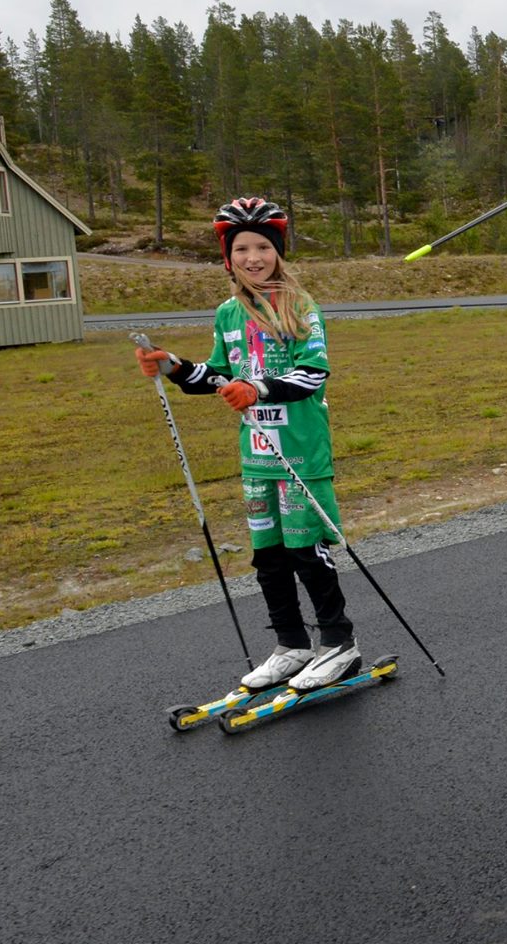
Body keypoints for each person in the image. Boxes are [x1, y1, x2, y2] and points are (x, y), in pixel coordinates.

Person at [133, 198, 358, 692]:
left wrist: (258, 388)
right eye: (242, 249)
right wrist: (172, 365)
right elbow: (217, 376)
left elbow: (312, 374)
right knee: (269, 555)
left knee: (306, 551)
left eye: (263, 247)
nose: (253, 257)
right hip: (257, 455)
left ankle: (338, 643)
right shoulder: (228, 313)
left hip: (300, 452)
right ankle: (292, 644)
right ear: (227, 256)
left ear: (278, 252)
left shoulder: (299, 306)